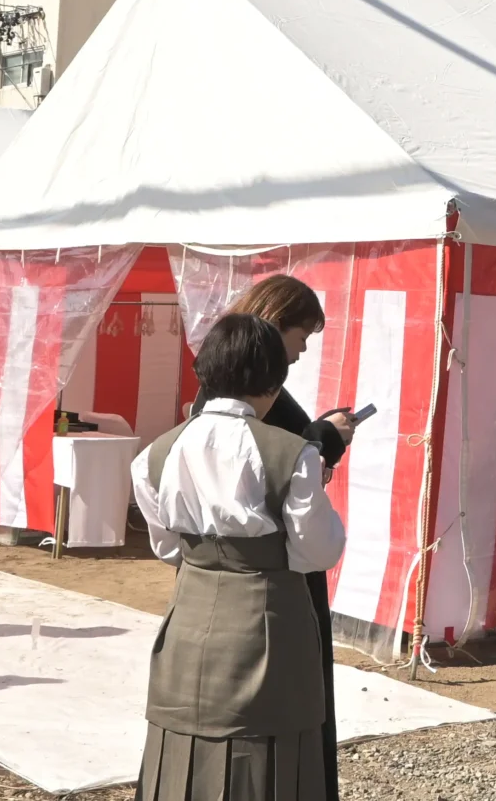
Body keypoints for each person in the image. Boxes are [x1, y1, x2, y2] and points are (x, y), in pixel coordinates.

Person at [130, 312, 346, 801]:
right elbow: (319, 550)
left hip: (189, 621)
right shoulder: (294, 454)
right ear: (273, 383)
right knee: (270, 758)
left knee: (180, 754)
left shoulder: (155, 455)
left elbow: (168, 548)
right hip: (269, 626)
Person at [226, 274, 359, 801]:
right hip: (275, 573)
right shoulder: (247, 400)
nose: (302, 353)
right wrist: (323, 442)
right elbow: (266, 469)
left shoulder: (254, 393)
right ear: (275, 324)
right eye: (300, 338)